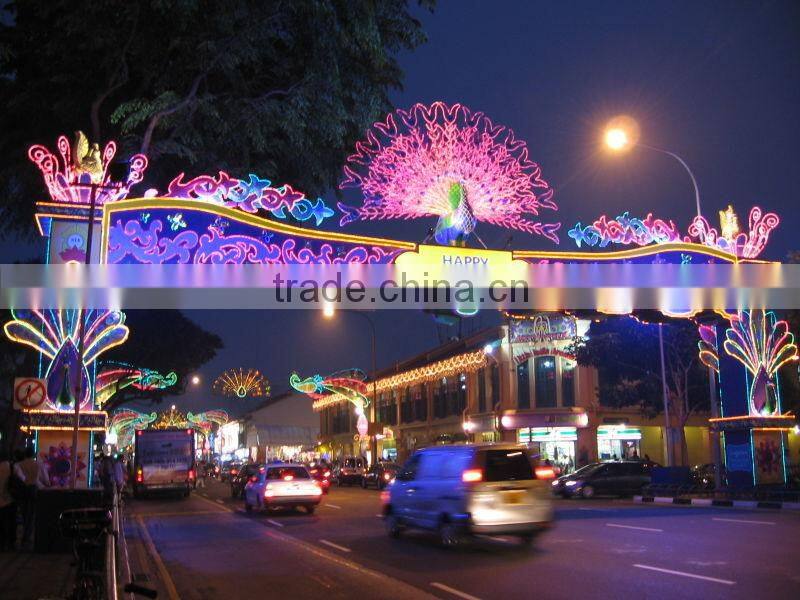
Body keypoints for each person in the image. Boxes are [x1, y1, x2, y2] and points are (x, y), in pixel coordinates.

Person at [13, 447, 49, 548]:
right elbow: (46, 480)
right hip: (34, 489)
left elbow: (18, 477)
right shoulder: (38, 464)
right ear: (34, 454)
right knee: (32, 513)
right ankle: (28, 536)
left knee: (24, 512)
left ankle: (24, 534)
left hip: (23, 490)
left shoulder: (18, 465)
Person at [0, 450, 17, 551]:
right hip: (10, 499)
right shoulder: (12, 467)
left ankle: (2, 543)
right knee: (11, 522)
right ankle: (10, 543)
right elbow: (22, 479)